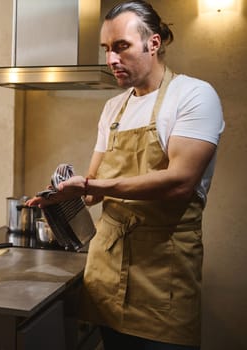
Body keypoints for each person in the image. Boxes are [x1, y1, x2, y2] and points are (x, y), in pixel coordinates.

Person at [26, 1, 225, 349]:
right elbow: (92, 192)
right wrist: (64, 193)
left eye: (121, 47)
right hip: (105, 270)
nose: (111, 60)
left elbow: (180, 182)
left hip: (163, 274)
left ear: (154, 43)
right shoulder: (113, 108)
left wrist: (92, 185)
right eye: (106, 49)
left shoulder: (193, 95)